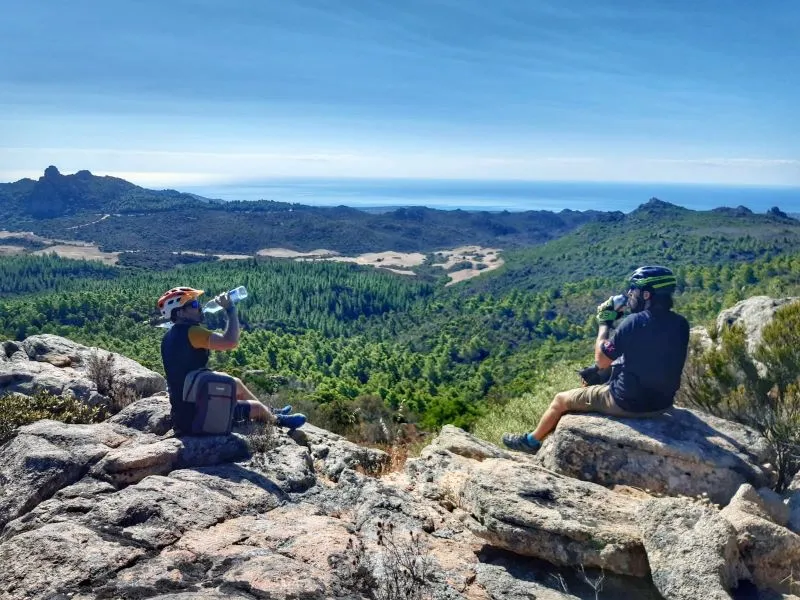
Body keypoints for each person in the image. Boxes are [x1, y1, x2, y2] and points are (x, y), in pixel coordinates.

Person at [502, 266, 689, 454]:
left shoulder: (634, 322)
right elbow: (652, 356)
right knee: (601, 373)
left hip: (628, 403)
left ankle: (531, 441)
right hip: (662, 403)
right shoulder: (681, 323)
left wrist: (605, 322)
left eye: (634, 289)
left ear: (647, 294)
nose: (630, 293)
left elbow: (601, 359)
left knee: (560, 400)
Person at [157, 286, 306, 434]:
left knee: (236, 383)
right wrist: (230, 309)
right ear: (181, 312)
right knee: (257, 409)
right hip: (198, 415)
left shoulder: (169, 336)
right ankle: (276, 420)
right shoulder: (192, 332)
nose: (200, 307)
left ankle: (269, 410)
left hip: (185, 408)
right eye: (194, 304)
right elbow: (230, 342)